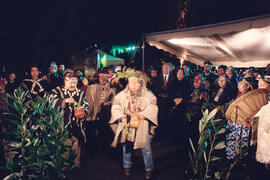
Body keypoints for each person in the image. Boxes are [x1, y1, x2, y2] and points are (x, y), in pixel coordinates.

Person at [109, 70, 158, 180]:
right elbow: (116, 105)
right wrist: (121, 117)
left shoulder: (147, 94)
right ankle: (127, 165)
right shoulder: (122, 95)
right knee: (127, 146)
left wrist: (144, 115)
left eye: (136, 82)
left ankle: (149, 168)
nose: (133, 85)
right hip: (127, 125)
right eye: (131, 82)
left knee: (146, 147)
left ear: (140, 82)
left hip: (141, 125)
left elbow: (153, 104)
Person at [50, 69, 89, 167]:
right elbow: (50, 102)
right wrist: (64, 100)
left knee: (76, 143)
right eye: (70, 81)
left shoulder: (80, 93)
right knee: (64, 145)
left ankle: (76, 162)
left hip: (76, 125)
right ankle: (64, 164)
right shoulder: (57, 90)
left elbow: (86, 105)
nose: (73, 84)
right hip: (62, 124)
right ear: (65, 81)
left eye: (75, 81)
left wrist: (83, 113)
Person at [85, 70, 115, 155]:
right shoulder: (92, 86)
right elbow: (86, 97)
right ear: (98, 77)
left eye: (106, 77)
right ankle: (92, 151)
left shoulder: (110, 88)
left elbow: (114, 100)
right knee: (91, 134)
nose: (103, 78)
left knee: (103, 133)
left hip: (103, 115)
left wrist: (108, 103)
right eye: (102, 77)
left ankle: (103, 150)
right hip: (92, 115)